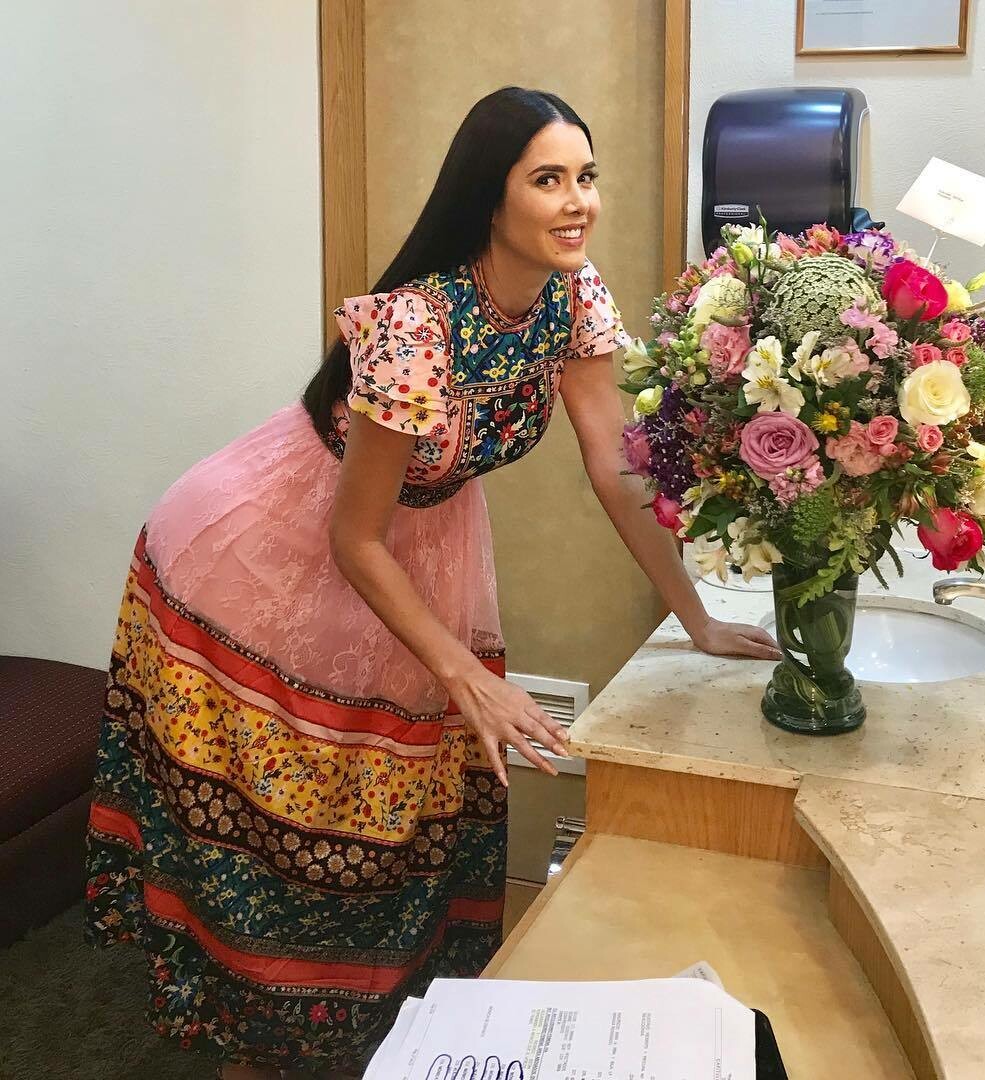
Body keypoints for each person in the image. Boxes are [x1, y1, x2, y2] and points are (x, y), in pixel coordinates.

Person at [84, 86, 781, 1079]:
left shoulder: (573, 295)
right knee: (283, 815)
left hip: (423, 538)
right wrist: (464, 676)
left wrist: (698, 617)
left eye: (586, 176)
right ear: (489, 198)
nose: (578, 200)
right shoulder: (415, 325)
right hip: (274, 544)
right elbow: (354, 535)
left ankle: (369, 1025)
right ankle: (253, 1044)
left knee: (388, 803)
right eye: (547, 179)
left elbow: (615, 468)